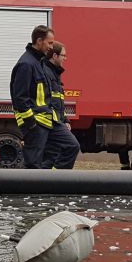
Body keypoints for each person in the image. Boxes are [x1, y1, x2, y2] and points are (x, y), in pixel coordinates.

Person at [10, 26, 61, 169]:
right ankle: (30, 190)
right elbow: (20, 97)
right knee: (33, 163)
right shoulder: (26, 64)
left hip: (44, 120)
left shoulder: (38, 61)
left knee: (68, 146)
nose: (51, 47)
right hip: (35, 123)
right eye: (49, 43)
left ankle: (48, 186)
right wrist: (31, 123)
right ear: (39, 41)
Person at [42, 41, 80, 169]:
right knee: (72, 145)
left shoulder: (54, 73)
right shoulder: (47, 73)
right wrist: (59, 122)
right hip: (51, 122)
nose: (65, 58)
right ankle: (60, 180)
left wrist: (65, 119)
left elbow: (58, 102)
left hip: (55, 121)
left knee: (49, 157)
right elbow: (47, 102)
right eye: (63, 55)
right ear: (54, 56)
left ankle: (47, 183)